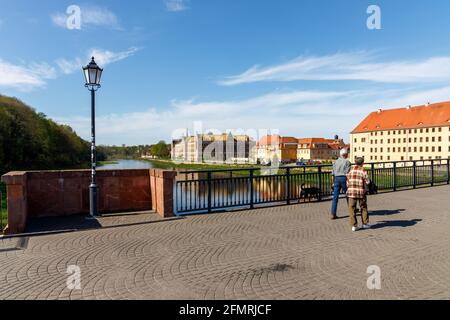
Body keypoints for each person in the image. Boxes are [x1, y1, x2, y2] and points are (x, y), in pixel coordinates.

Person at [347, 157, 371, 232]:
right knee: (363, 207)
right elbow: (367, 182)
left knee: (352, 208)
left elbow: (347, 182)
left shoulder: (350, 171)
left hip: (351, 192)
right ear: (362, 163)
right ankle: (365, 223)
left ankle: (354, 225)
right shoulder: (363, 171)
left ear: (355, 162)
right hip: (361, 192)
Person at [330, 148, 351, 219]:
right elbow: (347, 173)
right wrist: (349, 182)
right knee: (348, 195)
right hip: (344, 179)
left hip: (336, 179)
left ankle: (333, 213)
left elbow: (332, 173)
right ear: (345, 154)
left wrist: (332, 182)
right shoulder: (347, 162)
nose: (348, 154)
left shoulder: (335, 162)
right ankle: (352, 210)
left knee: (335, 197)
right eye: (347, 153)